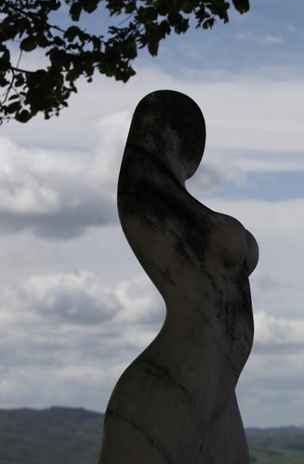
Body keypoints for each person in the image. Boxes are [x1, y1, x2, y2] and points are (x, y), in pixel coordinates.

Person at [98, 90, 259, 464]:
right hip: (172, 379)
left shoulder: (180, 205)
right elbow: (134, 191)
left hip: (219, 387)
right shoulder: (148, 193)